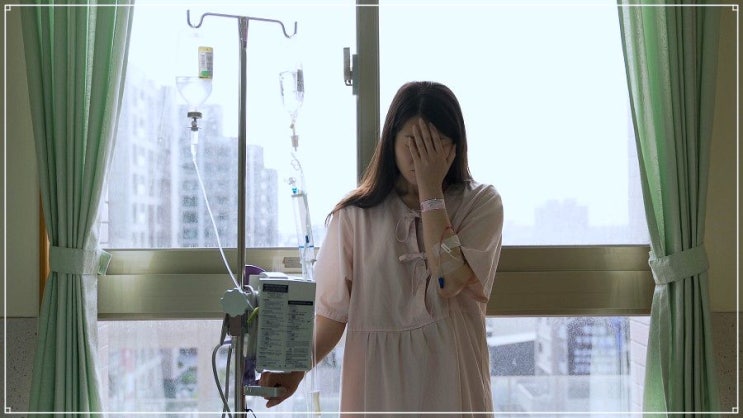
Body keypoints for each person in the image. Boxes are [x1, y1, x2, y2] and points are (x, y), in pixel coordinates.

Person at [260, 81, 504, 415]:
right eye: (413, 142)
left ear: (455, 146)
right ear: (391, 140)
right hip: (377, 377)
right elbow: (331, 315)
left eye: (435, 143)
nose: (423, 156)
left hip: (452, 371)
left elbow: (448, 280)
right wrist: (296, 369)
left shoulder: (481, 203)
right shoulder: (354, 216)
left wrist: (431, 192)